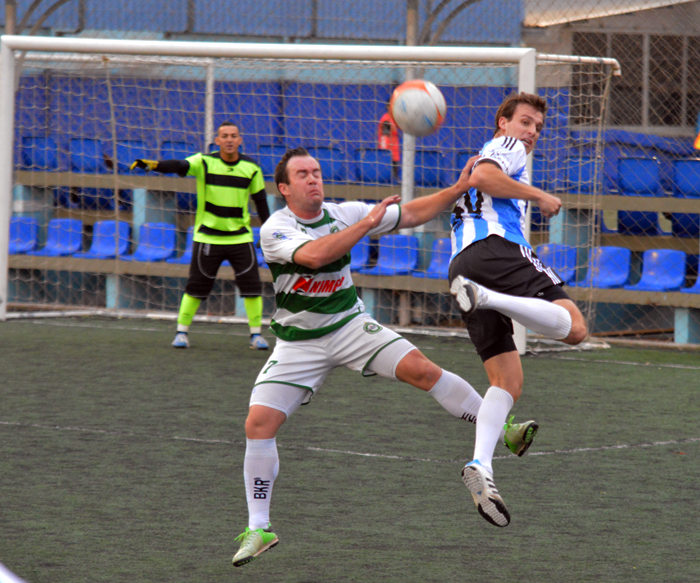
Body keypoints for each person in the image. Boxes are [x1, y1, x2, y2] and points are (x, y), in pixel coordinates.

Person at [231, 147, 539, 567]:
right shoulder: (276, 228)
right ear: (284, 188)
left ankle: (502, 429)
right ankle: (259, 528)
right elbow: (317, 256)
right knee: (258, 423)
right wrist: (368, 223)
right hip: (298, 343)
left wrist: (458, 187)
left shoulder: (343, 213)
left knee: (422, 370)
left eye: (317, 171)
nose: (313, 179)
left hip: (349, 325)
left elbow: (411, 214)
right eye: (302, 174)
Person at [447, 92, 588, 528]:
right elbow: (486, 179)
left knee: (507, 381)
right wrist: (539, 195)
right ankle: (487, 297)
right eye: (525, 122)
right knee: (577, 328)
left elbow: (475, 184)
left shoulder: (485, 154)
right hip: (497, 251)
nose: (531, 133)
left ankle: (481, 467)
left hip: (462, 263)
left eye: (538, 128)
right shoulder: (503, 149)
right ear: (502, 123)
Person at [131, 122, 270, 350]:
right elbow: (179, 165)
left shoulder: (251, 167)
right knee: (196, 287)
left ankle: (256, 336)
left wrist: (267, 230)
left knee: (252, 287)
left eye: (233, 136)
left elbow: (261, 201)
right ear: (217, 140)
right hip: (208, 238)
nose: (229, 140)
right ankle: (181, 333)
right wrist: (154, 165)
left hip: (240, 238)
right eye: (224, 136)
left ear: (240, 140)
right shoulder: (204, 162)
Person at [378, 103, 401, 182]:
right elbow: (385, 135)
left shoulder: (394, 118)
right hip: (388, 149)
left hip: (394, 149)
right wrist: (384, 150)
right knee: (388, 169)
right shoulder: (386, 119)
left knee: (395, 168)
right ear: (388, 107)